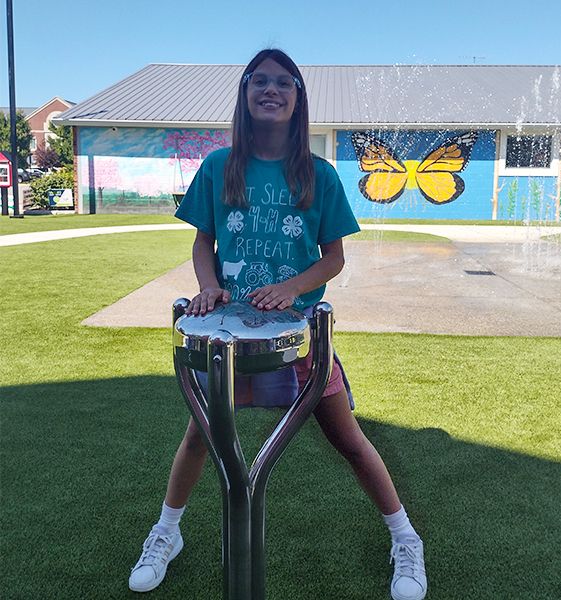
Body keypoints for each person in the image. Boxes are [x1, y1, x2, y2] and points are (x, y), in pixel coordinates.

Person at [129, 49, 427, 600]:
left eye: (283, 83)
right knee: (201, 434)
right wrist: (209, 285)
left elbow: (333, 257)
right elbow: (203, 241)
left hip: (300, 337)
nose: (272, 90)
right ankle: (166, 534)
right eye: (259, 81)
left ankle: (406, 540)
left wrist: (292, 288)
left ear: (298, 98)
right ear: (244, 94)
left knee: (349, 441)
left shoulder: (319, 173)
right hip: (231, 338)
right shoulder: (220, 166)